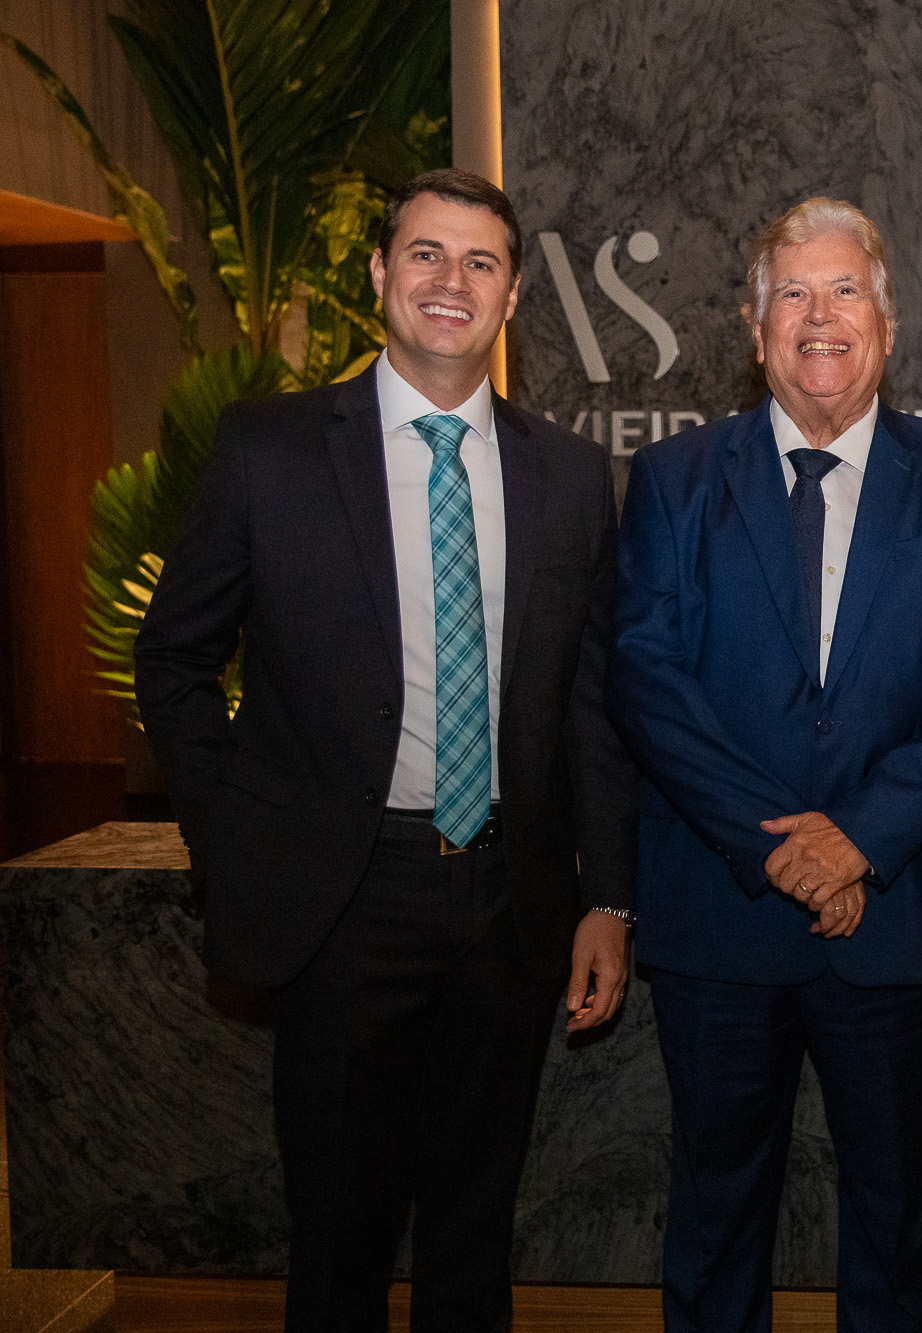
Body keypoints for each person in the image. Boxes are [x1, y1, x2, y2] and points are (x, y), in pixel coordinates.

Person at [134, 167, 637, 1333]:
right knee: (339, 1233)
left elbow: (591, 703)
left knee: (475, 1227)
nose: (449, 282)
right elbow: (175, 658)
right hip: (338, 897)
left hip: (509, 899)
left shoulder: (566, 474)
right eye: (425, 254)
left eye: (479, 262)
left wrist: (608, 896)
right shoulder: (269, 448)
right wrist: (236, 833)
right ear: (379, 274)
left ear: (513, 295)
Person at [609, 196, 922, 1333]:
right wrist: (784, 849)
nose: (818, 316)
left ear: (887, 326)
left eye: (845, 290)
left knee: (897, 1220)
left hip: (898, 915)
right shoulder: (675, 481)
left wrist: (860, 839)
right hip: (720, 912)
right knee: (715, 1207)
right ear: (755, 331)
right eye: (791, 293)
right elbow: (648, 679)